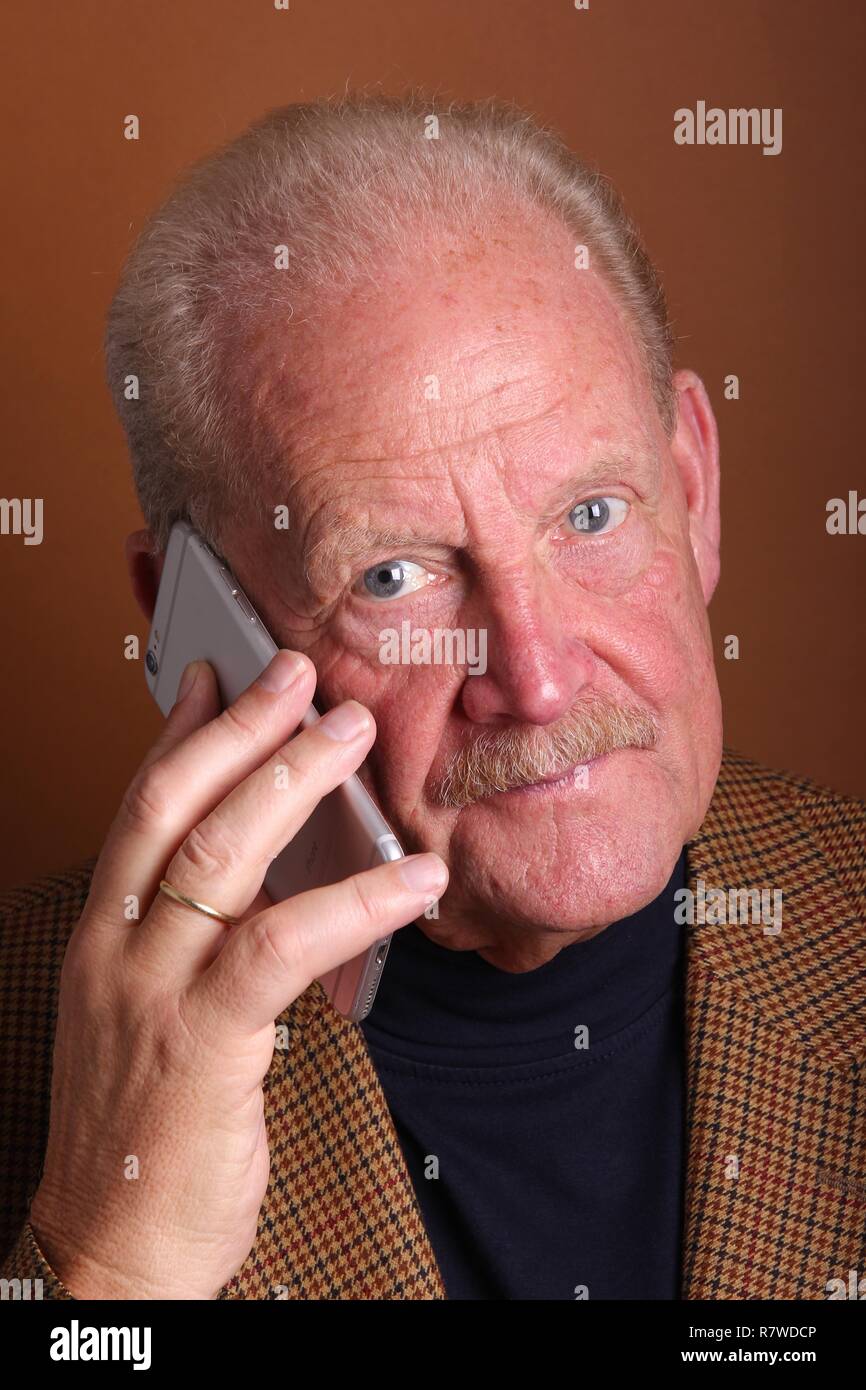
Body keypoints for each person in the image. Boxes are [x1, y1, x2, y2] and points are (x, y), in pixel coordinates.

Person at [2, 93, 863, 1302]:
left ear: (693, 491)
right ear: (197, 627)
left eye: (592, 515)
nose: (538, 677)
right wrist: (110, 1264)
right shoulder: (26, 1040)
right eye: (391, 575)